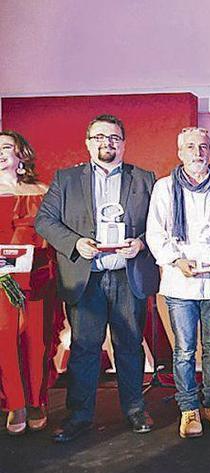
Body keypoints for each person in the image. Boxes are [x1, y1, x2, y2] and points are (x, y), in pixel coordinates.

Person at [35, 114, 159, 442]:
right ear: (88, 142)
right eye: (100, 137)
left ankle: (134, 409)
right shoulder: (66, 179)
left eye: (115, 137)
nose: (108, 143)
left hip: (126, 276)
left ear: (124, 142)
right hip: (85, 277)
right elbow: (44, 221)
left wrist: (142, 242)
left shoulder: (145, 179)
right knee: (85, 347)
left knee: (130, 345)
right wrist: (75, 243)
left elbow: (162, 223)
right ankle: (79, 416)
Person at [145, 127, 210, 438]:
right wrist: (176, 261)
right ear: (180, 152)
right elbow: (155, 233)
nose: (197, 152)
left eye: (203, 146)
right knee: (185, 349)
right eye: (190, 147)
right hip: (181, 282)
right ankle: (189, 409)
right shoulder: (164, 188)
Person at [0, 131, 63, 435]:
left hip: (39, 275)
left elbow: (55, 233)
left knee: (38, 339)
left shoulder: (44, 190)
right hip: (0, 281)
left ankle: (37, 400)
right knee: (5, 338)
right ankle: (15, 403)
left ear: (22, 155)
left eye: (6, 148)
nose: (0, 153)